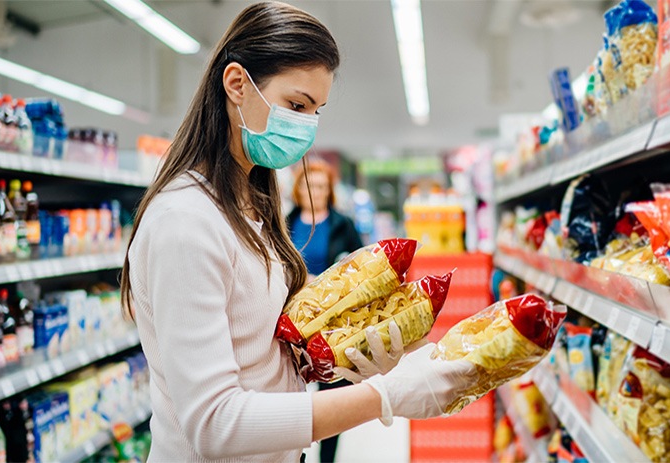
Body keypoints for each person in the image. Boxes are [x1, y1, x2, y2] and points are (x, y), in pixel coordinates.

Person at [120, 2, 475, 462]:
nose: (306, 126)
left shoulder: (253, 205)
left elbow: (262, 357)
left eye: (316, 111)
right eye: (296, 105)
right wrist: (382, 398)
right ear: (236, 85)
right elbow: (213, 423)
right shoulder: (185, 221)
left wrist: (345, 360)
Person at [287, 160, 362, 463]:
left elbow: (361, 266)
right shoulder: (285, 222)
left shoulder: (343, 225)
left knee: (332, 391)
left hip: (334, 323)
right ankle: (295, 453)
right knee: (292, 390)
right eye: (308, 185)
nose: (314, 191)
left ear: (329, 191)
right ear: (298, 189)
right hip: (295, 321)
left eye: (320, 186)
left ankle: (326, 458)